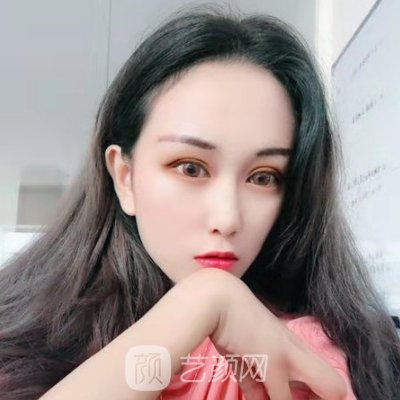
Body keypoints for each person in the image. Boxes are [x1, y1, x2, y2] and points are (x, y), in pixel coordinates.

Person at [0, 6, 399, 400]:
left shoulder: (296, 357)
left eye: (263, 177)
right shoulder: (26, 329)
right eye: (190, 168)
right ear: (125, 177)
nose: (227, 218)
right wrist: (204, 301)